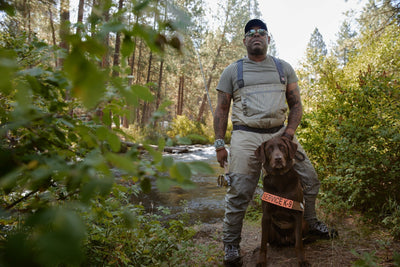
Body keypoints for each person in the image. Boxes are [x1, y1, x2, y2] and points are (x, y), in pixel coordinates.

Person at [213, 19, 337, 266]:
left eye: (261, 32)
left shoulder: (283, 68)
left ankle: (309, 223)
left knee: (310, 179)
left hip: (280, 133)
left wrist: (289, 134)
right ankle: (231, 245)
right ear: (245, 40)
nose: (256, 35)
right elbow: (221, 109)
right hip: (245, 136)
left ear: (269, 39)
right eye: (250, 33)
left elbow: (296, 105)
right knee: (239, 190)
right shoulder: (232, 71)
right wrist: (219, 144)